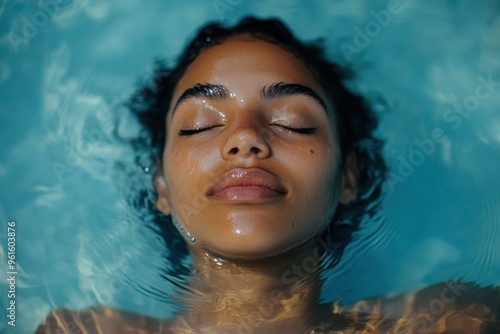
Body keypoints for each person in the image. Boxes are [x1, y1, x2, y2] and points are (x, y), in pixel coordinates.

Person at [36, 17, 499, 334]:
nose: (244, 139)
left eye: (293, 122)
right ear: (160, 184)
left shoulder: (454, 321)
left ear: (349, 178)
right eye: (201, 124)